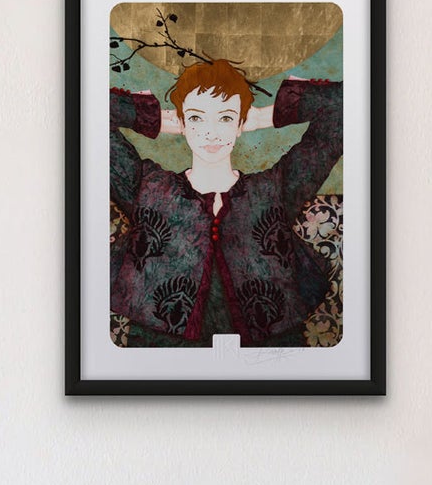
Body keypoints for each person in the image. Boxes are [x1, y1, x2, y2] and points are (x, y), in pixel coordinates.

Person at [108, 57, 341, 348]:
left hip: (270, 350)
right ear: (181, 122)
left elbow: (342, 110)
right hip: (160, 348)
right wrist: (153, 119)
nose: (211, 132)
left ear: (241, 123)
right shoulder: (148, 187)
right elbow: (87, 116)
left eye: (226, 118)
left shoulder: (275, 188)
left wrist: (264, 117)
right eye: (196, 118)